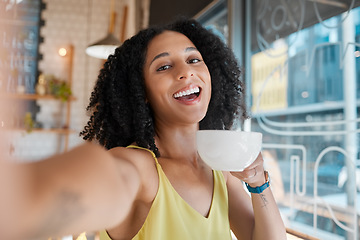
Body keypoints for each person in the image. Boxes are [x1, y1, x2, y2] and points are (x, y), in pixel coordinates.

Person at [0, 18, 286, 240]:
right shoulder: (139, 169)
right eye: (163, 67)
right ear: (142, 93)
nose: (185, 72)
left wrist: (258, 182)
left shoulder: (220, 172)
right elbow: (103, 178)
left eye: (193, 59)